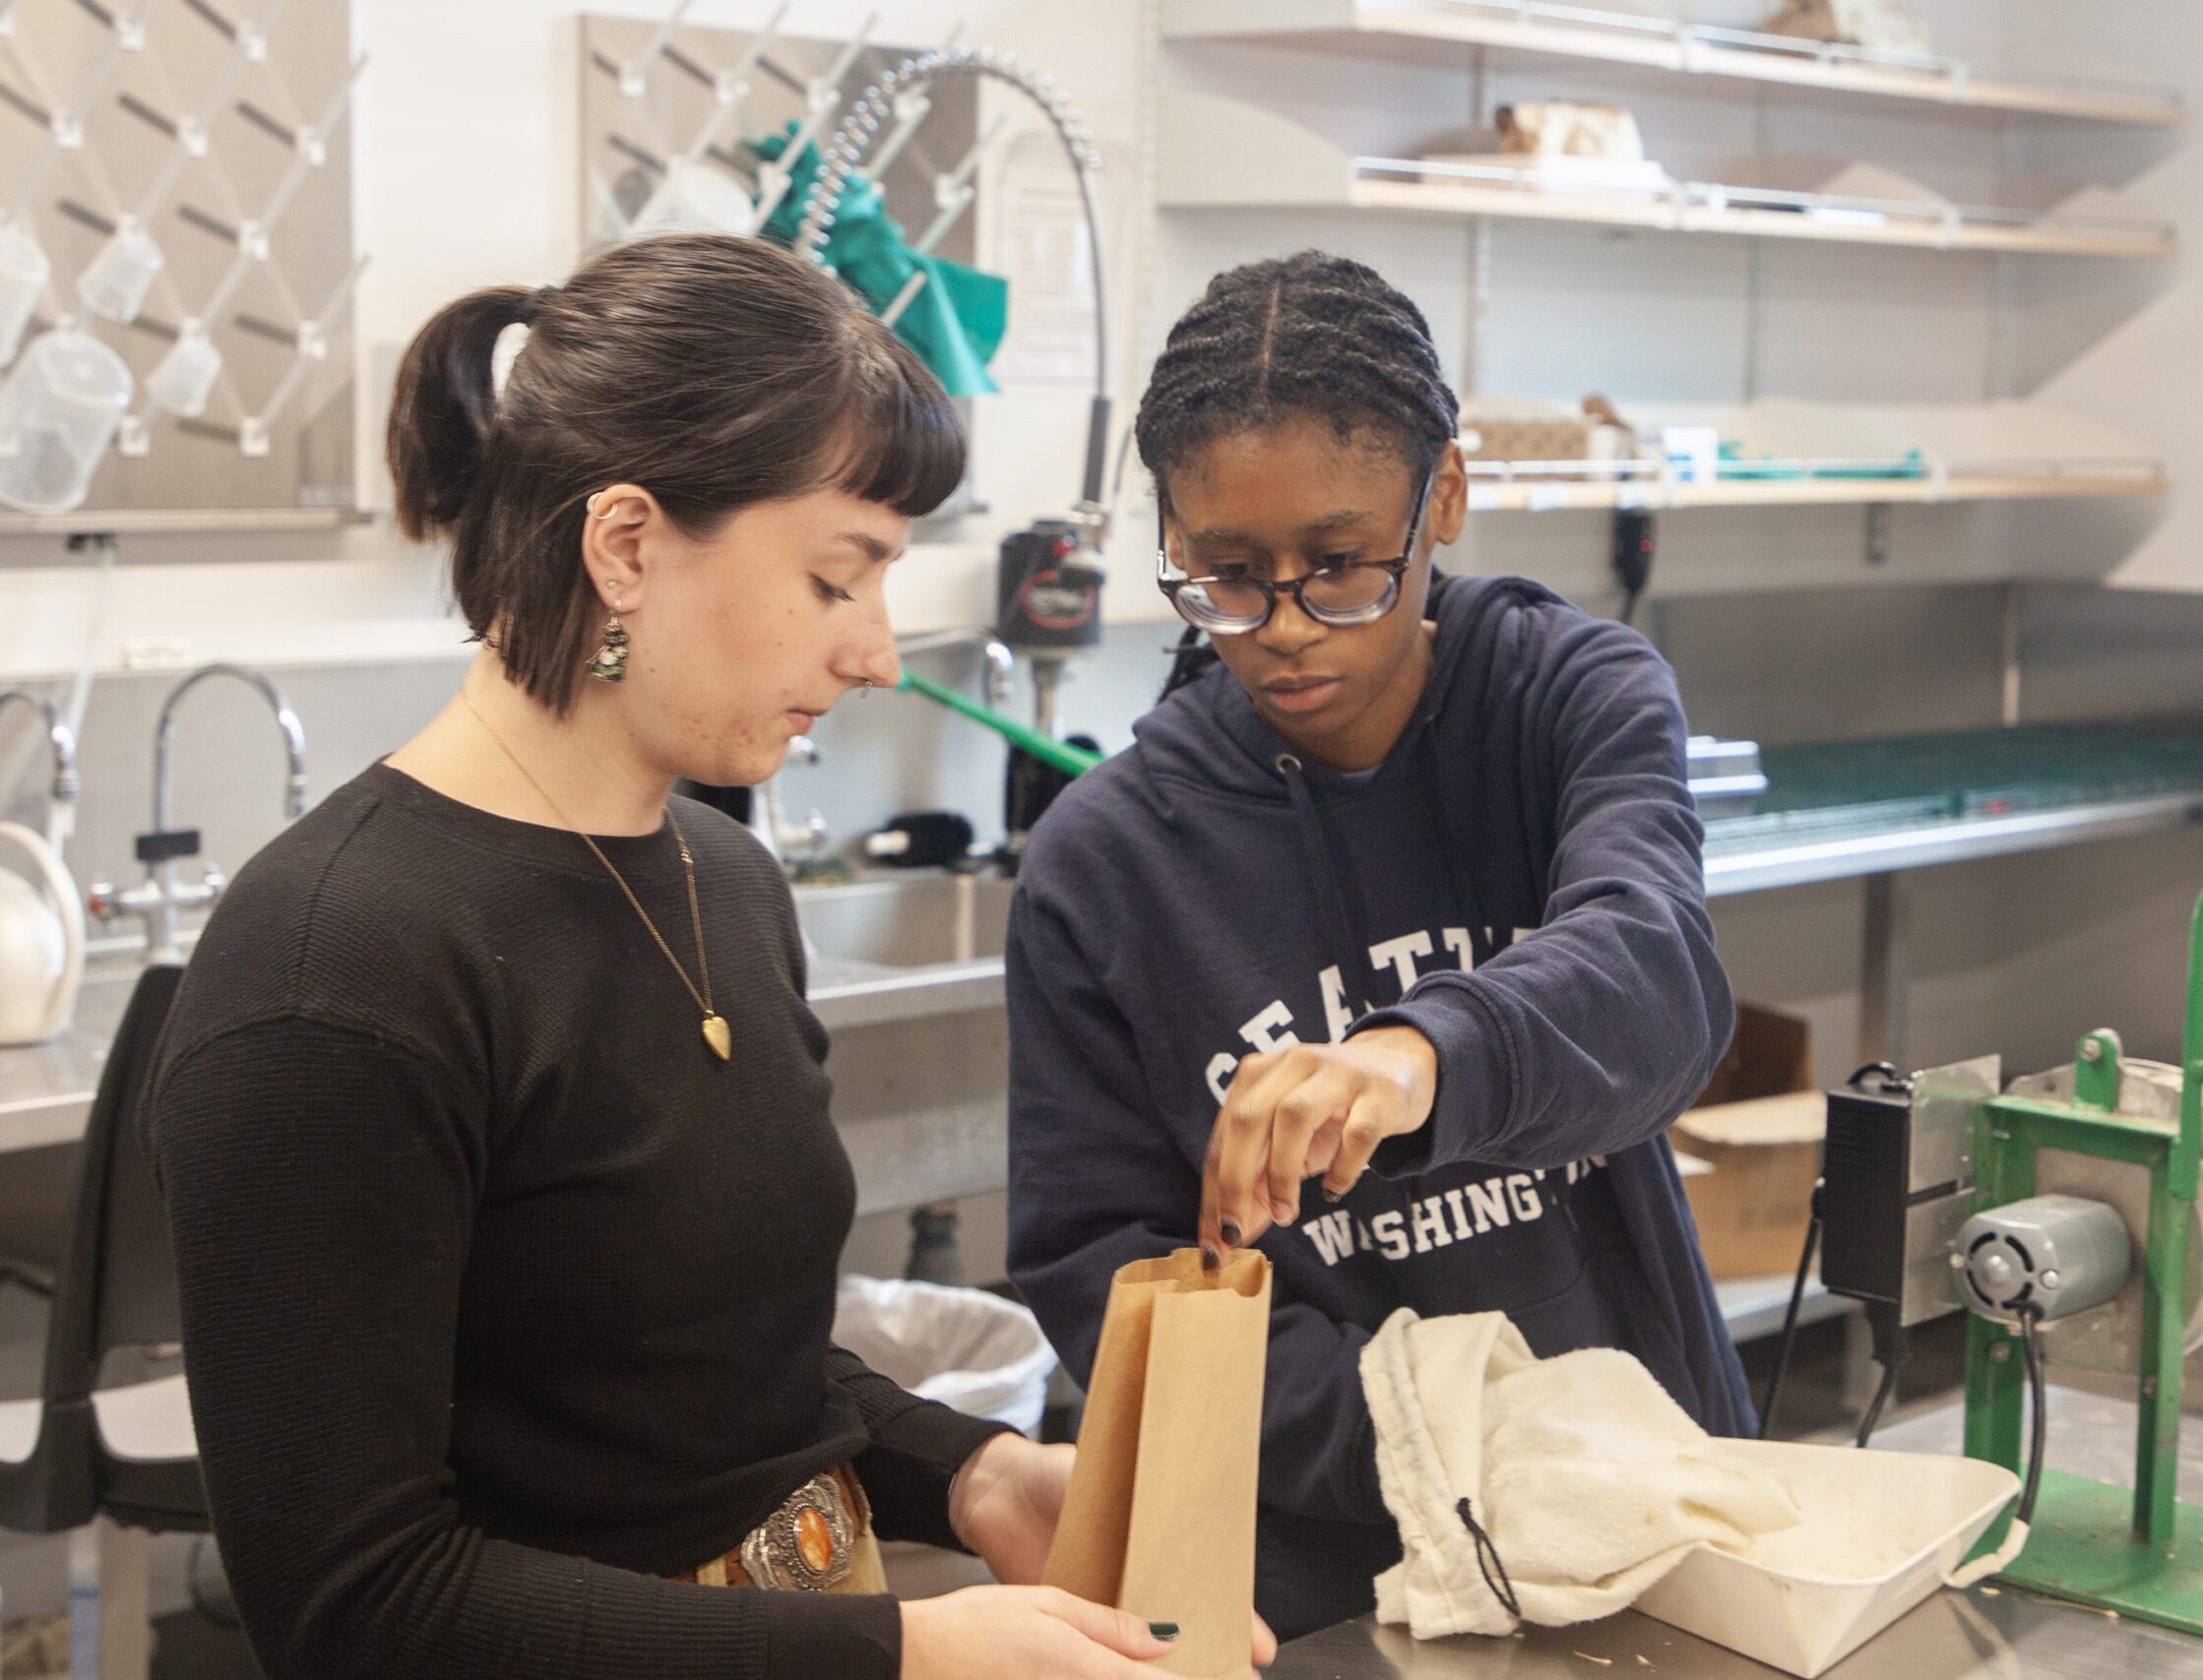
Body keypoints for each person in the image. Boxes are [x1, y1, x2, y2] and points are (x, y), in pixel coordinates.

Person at [148, 234, 1270, 1680]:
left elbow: (706, 1372)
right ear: (624, 546)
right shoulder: (340, 972)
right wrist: (909, 1654)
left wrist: (974, 1475)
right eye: (836, 578)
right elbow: (359, 1605)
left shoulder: (723, 881)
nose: (878, 652)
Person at [1004, 250, 1755, 1640]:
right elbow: (1102, 1280)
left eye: (1341, 565)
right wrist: (1431, 1439)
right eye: (1225, 576)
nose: (1285, 629)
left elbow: (1656, 971)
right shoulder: (1104, 866)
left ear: (1444, 500)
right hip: (1340, 1598)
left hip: (1663, 1513)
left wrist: (1422, 1057)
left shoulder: (1565, 701)